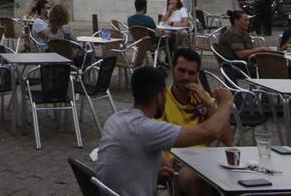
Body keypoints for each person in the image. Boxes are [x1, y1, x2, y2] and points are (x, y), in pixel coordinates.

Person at [95, 66, 234, 196]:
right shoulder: (145, 128)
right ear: (159, 96)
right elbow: (210, 131)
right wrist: (226, 103)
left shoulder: (115, 119)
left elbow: (127, 165)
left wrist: (153, 174)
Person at [159, 48, 233, 152]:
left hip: (202, 158)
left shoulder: (203, 97)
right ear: (172, 69)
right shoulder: (161, 99)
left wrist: (208, 104)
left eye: (191, 73)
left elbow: (228, 140)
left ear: (197, 75)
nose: (186, 77)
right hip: (176, 161)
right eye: (181, 70)